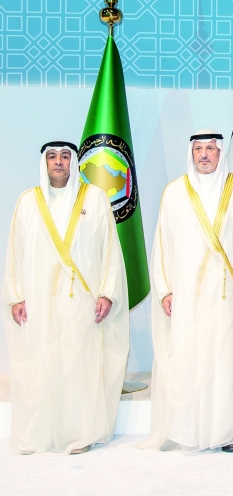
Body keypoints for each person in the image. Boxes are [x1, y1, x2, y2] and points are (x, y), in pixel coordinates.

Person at [139, 130, 233, 453]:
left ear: (221, 153)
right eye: (199, 149)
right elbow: (162, 246)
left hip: (227, 298)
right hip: (187, 298)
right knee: (189, 360)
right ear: (191, 153)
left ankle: (227, 432)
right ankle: (187, 431)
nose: (205, 154)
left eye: (211, 148)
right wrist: (165, 290)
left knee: (225, 365)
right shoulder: (175, 193)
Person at [1, 142, 128, 455]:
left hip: (80, 304)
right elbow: (14, 252)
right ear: (44, 163)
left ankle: (79, 433)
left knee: (78, 369)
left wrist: (107, 292)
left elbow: (110, 249)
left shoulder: (95, 199)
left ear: (74, 162)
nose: (59, 162)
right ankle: (39, 434)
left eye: (65, 156)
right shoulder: (28, 201)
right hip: (39, 303)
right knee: (41, 365)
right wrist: (15, 296)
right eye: (52, 157)